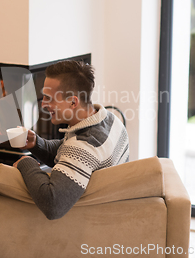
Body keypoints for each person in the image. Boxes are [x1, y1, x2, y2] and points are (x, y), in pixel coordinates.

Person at [13, 60, 129, 220]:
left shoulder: (84, 145)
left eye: (49, 98)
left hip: (88, 221)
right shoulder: (108, 118)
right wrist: (37, 144)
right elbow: (67, 151)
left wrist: (27, 163)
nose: (44, 105)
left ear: (73, 102)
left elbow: (52, 204)